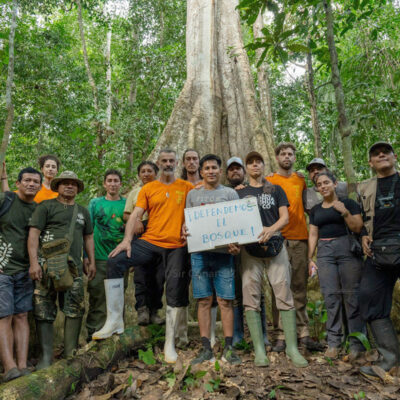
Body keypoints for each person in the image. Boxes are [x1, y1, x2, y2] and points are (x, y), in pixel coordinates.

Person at [93, 149, 193, 364]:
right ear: (159, 162)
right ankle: (114, 321)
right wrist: (127, 240)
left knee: (175, 287)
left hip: (176, 244)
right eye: (164, 160)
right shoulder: (148, 188)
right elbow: (136, 214)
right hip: (150, 241)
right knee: (116, 260)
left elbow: (197, 210)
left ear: (177, 164)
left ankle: (169, 343)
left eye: (171, 161)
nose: (167, 164)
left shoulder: (187, 187)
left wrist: (189, 225)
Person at [237, 151, 308, 368]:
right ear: (246, 168)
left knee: (283, 292)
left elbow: (285, 217)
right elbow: (232, 221)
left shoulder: (275, 189)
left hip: (276, 246)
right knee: (250, 295)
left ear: (263, 165)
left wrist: (271, 229)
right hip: (249, 251)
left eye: (258, 162)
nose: (255, 165)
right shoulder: (238, 193)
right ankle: (259, 349)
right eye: (250, 163)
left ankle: (292, 348)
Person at [28, 171, 95, 369]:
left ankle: (70, 354)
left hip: (73, 269)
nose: (69, 186)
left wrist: (89, 260)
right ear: (57, 186)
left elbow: (88, 237)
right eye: (65, 183)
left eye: (73, 184)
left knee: (75, 309)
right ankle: (46, 357)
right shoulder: (46, 207)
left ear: (77, 188)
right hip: (45, 266)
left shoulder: (83, 212)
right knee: (43, 309)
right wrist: (34, 263)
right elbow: (33, 235)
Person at [184, 154, 241, 365]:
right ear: (201, 172)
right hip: (200, 254)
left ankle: (229, 348)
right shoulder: (193, 195)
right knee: (204, 300)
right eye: (206, 168)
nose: (210, 171)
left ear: (220, 171)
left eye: (214, 167)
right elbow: (189, 222)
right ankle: (206, 348)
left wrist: (237, 244)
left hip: (224, 255)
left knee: (225, 300)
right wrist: (185, 230)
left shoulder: (230, 193)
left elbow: (237, 224)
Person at [267, 143, 323, 352]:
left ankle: (303, 333)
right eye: (283, 154)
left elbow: (311, 207)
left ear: (294, 157)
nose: (287, 157)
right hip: (278, 240)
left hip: (300, 239)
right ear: (277, 157)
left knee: (299, 287)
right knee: (279, 288)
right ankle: (281, 335)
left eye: (290, 154)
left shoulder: (301, 180)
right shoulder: (270, 180)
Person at [308, 171, 365, 359]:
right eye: (319, 184)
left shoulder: (348, 203)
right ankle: (334, 343)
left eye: (326, 182)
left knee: (351, 296)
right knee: (331, 297)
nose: (323, 186)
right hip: (325, 253)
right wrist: (310, 257)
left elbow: (357, 227)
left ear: (335, 183)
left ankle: (356, 343)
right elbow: (313, 234)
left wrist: (345, 212)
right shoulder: (316, 210)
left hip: (346, 249)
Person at [358, 142, 400, 378]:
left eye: (385, 152)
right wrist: (363, 236)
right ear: (370, 162)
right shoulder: (365, 188)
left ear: (394, 156)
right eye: (375, 153)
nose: (381, 154)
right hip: (377, 251)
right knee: (369, 296)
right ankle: (389, 359)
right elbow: (361, 218)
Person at [0, 167, 42, 382]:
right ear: (18, 183)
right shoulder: (5, 200)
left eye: (35, 181)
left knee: (22, 315)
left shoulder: (38, 210)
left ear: (40, 186)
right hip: (2, 269)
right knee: (4, 316)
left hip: (25, 270)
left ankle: (23, 366)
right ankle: (9, 368)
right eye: (27, 180)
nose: (31, 184)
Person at [226, 157, 270, 348]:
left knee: (257, 292)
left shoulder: (254, 190)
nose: (235, 172)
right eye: (231, 169)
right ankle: (238, 336)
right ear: (226, 174)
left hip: (253, 248)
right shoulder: (226, 194)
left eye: (238, 168)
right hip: (233, 249)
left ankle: (262, 335)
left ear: (244, 172)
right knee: (235, 293)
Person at [85, 170, 126, 340]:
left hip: (121, 259)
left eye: (116, 181)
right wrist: (87, 258)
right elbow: (87, 232)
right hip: (99, 258)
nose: (113, 184)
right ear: (104, 184)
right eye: (109, 180)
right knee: (97, 297)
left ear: (120, 184)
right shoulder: (95, 203)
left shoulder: (127, 204)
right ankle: (93, 334)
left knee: (118, 297)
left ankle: (117, 336)